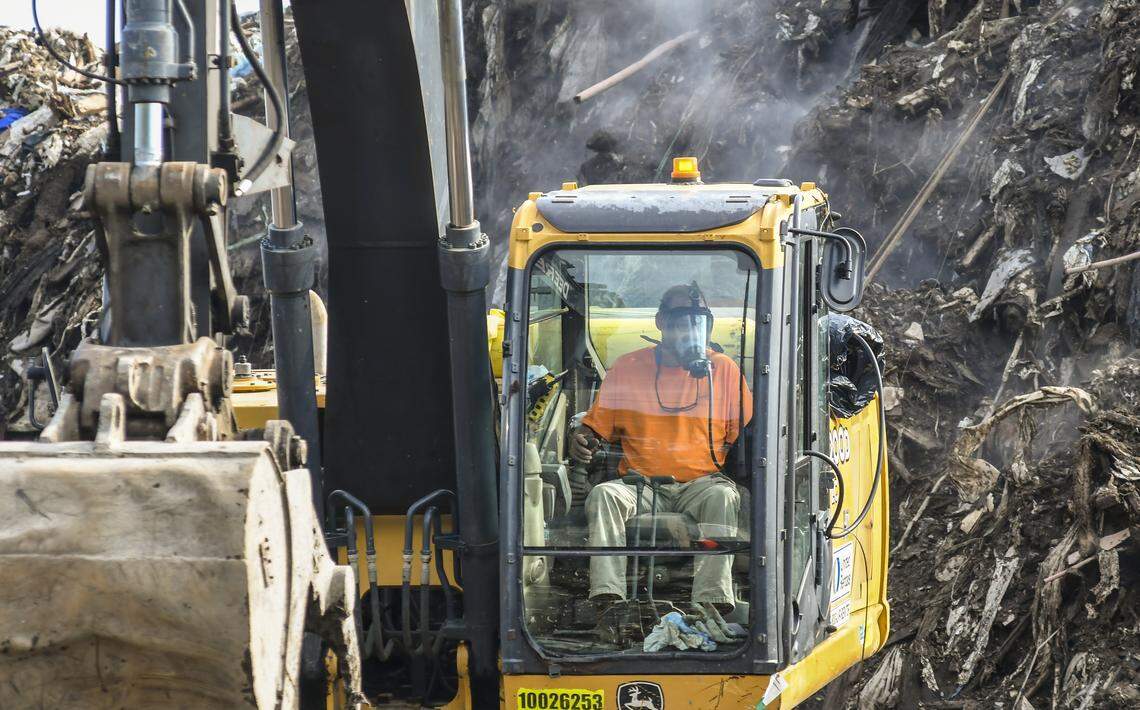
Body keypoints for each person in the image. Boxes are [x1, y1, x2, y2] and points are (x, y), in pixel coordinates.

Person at [570, 283, 753, 611]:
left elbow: (745, 436)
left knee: (724, 496)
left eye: (699, 322)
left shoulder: (724, 371)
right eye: (682, 322)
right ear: (661, 323)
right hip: (641, 486)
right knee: (604, 495)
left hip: (701, 484)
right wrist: (582, 440)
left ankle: (712, 602)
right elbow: (594, 428)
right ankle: (608, 598)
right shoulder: (627, 369)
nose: (690, 331)